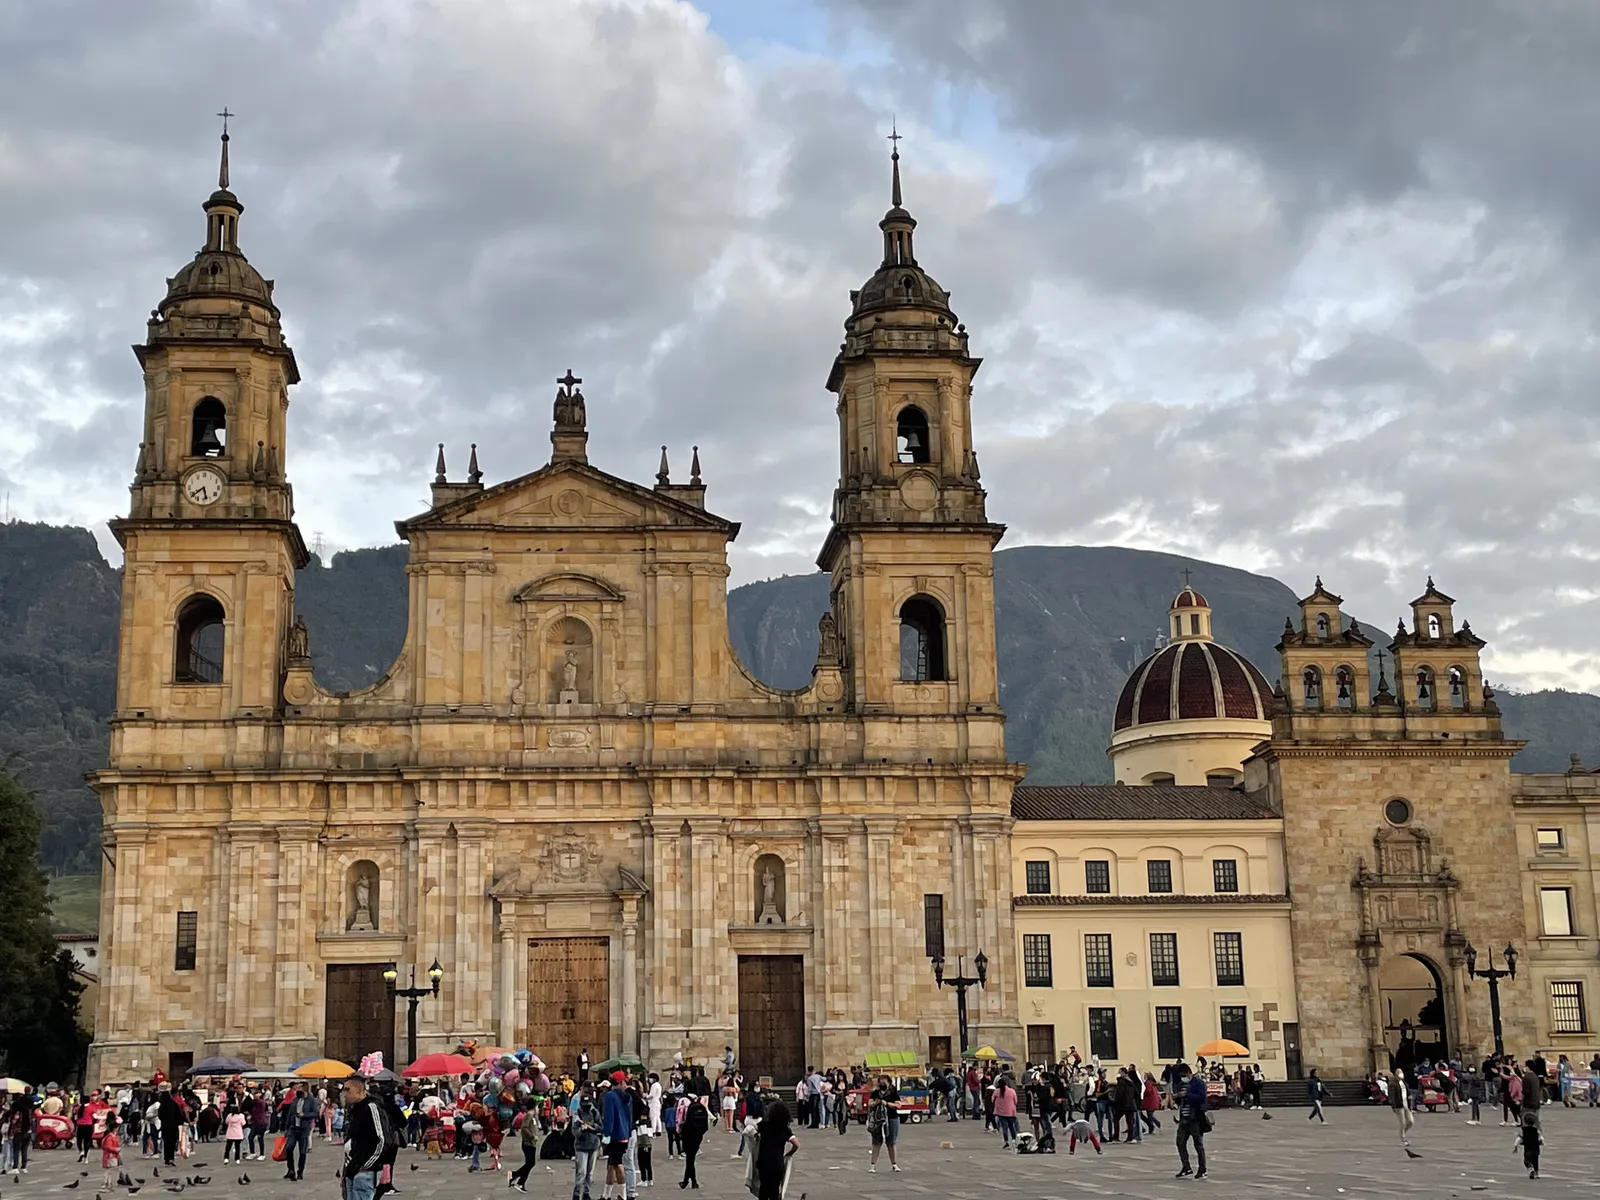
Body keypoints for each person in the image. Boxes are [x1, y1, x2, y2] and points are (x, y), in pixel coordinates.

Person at [341, 1076, 386, 1200]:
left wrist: (367, 1164)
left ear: (360, 1091)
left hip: (365, 1170)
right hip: (352, 1167)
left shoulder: (371, 1107)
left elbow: (381, 1139)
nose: (345, 1094)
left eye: (348, 1090)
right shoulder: (355, 1109)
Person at [753, 1101, 798, 1200]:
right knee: (775, 1189)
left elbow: (752, 1129)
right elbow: (796, 1144)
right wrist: (789, 1154)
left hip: (763, 1161)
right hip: (777, 1162)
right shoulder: (785, 1129)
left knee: (764, 1188)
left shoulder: (764, 1126)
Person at [1174, 1071, 1208, 1180]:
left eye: (1184, 1075)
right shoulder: (1181, 1084)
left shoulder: (1198, 1083)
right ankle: (1186, 1167)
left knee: (1198, 1144)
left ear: (1189, 1073)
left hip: (1195, 1119)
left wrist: (1187, 1095)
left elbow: (1202, 1098)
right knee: (1180, 1142)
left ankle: (1202, 1169)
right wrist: (1177, 1097)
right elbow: (1180, 1101)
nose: (1183, 1078)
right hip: (1184, 1118)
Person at [571, 1085, 603, 1200]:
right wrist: (581, 1130)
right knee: (582, 1172)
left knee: (590, 1173)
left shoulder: (595, 1113)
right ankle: (577, 1193)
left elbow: (600, 1127)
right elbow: (575, 1133)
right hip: (581, 1146)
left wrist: (592, 1126)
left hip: (593, 1145)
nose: (586, 1108)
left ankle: (586, 1193)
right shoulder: (577, 1115)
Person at [282, 1080, 316, 1181]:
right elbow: (290, 1114)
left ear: (305, 1088)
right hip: (293, 1128)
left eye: (300, 1087)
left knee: (302, 1152)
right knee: (289, 1148)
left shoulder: (311, 1100)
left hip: (304, 1129)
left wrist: (304, 1115)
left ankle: (300, 1171)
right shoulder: (295, 1099)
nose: (297, 1089)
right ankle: (290, 1170)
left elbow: (315, 1113)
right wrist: (287, 1127)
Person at [866, 1075, 901, 1173]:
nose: (882, 1084)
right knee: (876, 1142)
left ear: (889, 1083)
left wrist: (888, 1104)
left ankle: (894, 1164)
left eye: (884, 1082)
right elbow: (869, 1103)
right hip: (878, 1119)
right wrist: (876, 1103)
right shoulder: (875, 1093)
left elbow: (898, 1105)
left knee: (891, 1142)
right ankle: (873, 1165)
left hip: (891, 1118)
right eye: (880, 1082)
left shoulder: (893, 1093)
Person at [677, 1093, 708, 1189]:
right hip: (698, 1136)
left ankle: (691, 1182)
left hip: (689, 1135)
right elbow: (706, 1126)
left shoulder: (688, 1107)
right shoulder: (702, 1108)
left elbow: (683, 1121)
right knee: (691, 1159)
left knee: (690, 1160)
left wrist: (682, 1133)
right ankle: (688, 1181)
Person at [509, 1100, 540, 1192]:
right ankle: (515, 1177)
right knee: (530, 1163)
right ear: (534, 1107)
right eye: (537, 1107)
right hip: (528, 1143)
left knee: (530, 1163)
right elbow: (524, 1128)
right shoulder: (528, 1116)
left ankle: (520, 1182)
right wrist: (532, 1136)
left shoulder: (532, 1117)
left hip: (531, 1143)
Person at [1519, 1060, 1543, 1179]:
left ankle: (1526, 1137)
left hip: (1528, 1104)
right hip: (1536, 1104)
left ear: (1527, 1067)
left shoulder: (1526, 1078)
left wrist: (1521, 1099)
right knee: (1535, 1122)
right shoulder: (1536, 1077)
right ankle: (1537, 1171)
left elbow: (1526, 1092)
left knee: (1526, 1123)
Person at [1387, 1070, 1413, 1146]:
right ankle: (1403, 1139)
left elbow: (1407, 1091)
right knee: (1403, 1123)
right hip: (1399, 1105)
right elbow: (1391, 1095)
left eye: (1402, 1072)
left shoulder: (1404, 1083)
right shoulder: (1393, 1083)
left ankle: (1404, 1132)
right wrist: (1393, 1105)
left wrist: (1409, 1095)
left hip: (1406, 1104)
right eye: (1399, 1073)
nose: (1401, 1074)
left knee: (1411, 1121)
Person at [992, 1075, 1018, 1149]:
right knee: (1011, 1126)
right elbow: (1015, 1101)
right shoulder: (1012, 1091)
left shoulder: (997, 1091)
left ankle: (1006, 1141)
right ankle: (1013, 1139)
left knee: (1004, 1127)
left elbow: (992, 1100)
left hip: (1001, 1112)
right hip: (1010, 1112)